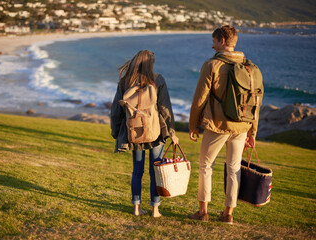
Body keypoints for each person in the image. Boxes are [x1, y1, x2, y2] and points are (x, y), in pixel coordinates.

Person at [188, 25, 260, 224]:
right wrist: (252, 132)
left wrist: (193, 125)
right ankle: (228, 213)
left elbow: (199, 99)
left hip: (217, 125)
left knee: (205, 166)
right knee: (234, 168)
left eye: (214, 41)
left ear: (222, 41)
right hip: (242, 127)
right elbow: (255, 104)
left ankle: (203, 212)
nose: (212, 46)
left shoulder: (212, 65)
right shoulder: (250, 68)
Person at [111, 50, 179, 218]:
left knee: (137, 171)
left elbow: (115, 111)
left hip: (134, 132)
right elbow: (165, 108)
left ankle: (136, 208)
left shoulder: (125, 81)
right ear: (151, 64)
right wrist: (170, 131)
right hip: (155, 132)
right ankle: (155, 210)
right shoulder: (158, 80)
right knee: (155, 171)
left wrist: (116, 132)